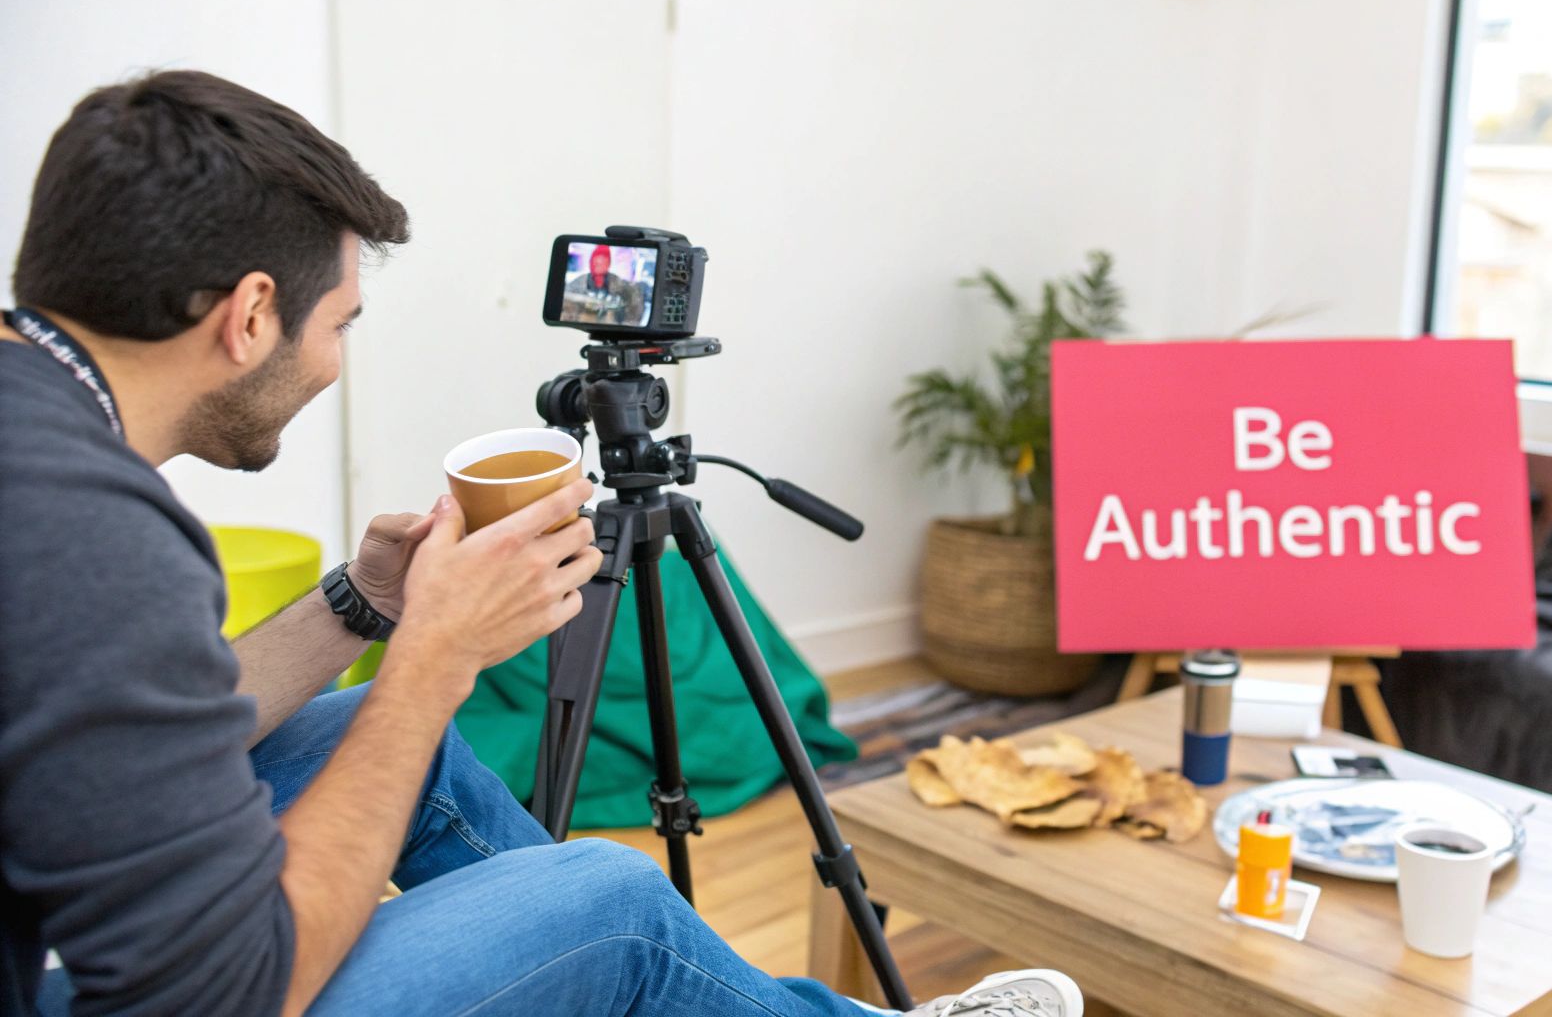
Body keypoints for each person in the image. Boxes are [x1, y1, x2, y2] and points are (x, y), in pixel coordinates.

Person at [0, 71, 1084, 1017]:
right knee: (608, 904)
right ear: (248, 317)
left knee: (362, 740)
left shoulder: (34, 439)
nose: (334, 360)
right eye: (339, 325)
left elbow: (113, 738)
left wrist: (365, 603)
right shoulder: (95, 536)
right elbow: (222, 992)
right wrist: (432, 659)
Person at [560, 244, 648, 326]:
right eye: (594, 262)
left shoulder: (620, 284)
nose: (596, 265)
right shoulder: (578, 283)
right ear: (590, 263)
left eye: (601, 262)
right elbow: (566, 301)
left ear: (608, 264)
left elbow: (636, 301)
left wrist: (627, 326)